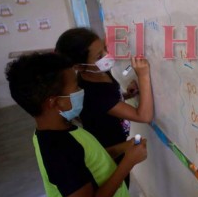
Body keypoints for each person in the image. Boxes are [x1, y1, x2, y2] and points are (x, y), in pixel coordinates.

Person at [5, 53, 148, 197]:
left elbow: (88, 160)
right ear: (54, 101)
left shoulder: (59, 130)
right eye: (76, 87)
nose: (81, 90)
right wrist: (128, 162)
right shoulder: (58, 150)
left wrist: (124, 148)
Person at [55, 28, 154, 160]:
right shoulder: (92, 92)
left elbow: (108, 103)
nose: (107, 55)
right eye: (99, 56)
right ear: (79, 66)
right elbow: (144, 116)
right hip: (109, 152)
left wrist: (126, 95)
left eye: (105, 48)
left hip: (118, 141)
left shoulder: (99, 72)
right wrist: (143, 76)